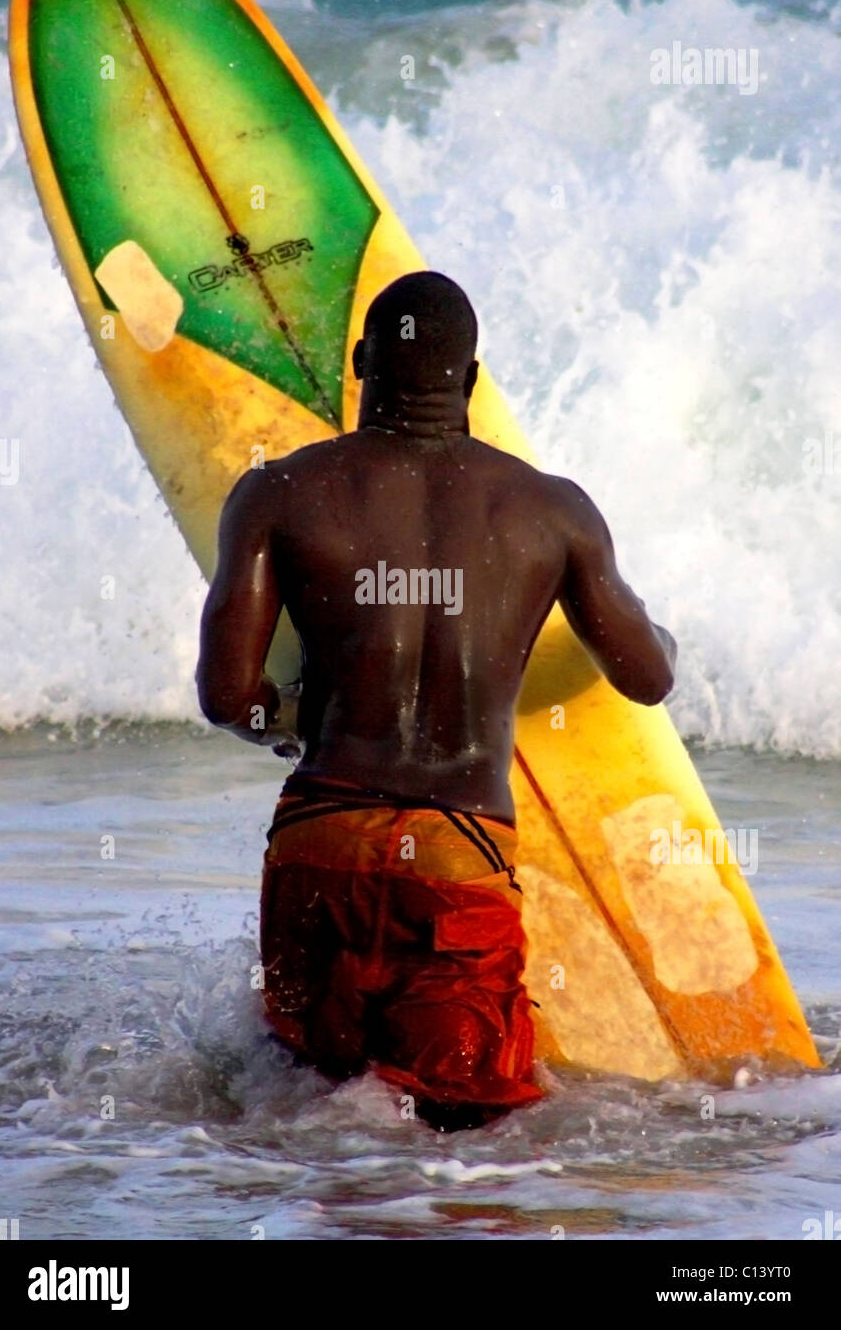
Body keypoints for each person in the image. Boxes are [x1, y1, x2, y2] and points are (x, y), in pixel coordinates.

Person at [197, 271, 676, 1129]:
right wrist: (664, 639)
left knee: (307, 1104)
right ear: (473, 379)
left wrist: (296, 717)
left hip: (322, 838)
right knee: (465, 1130)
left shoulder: (276, 493)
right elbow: (646, 677)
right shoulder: (552, 511)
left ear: (358, 362)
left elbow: (229, 697)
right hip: (459, 860)